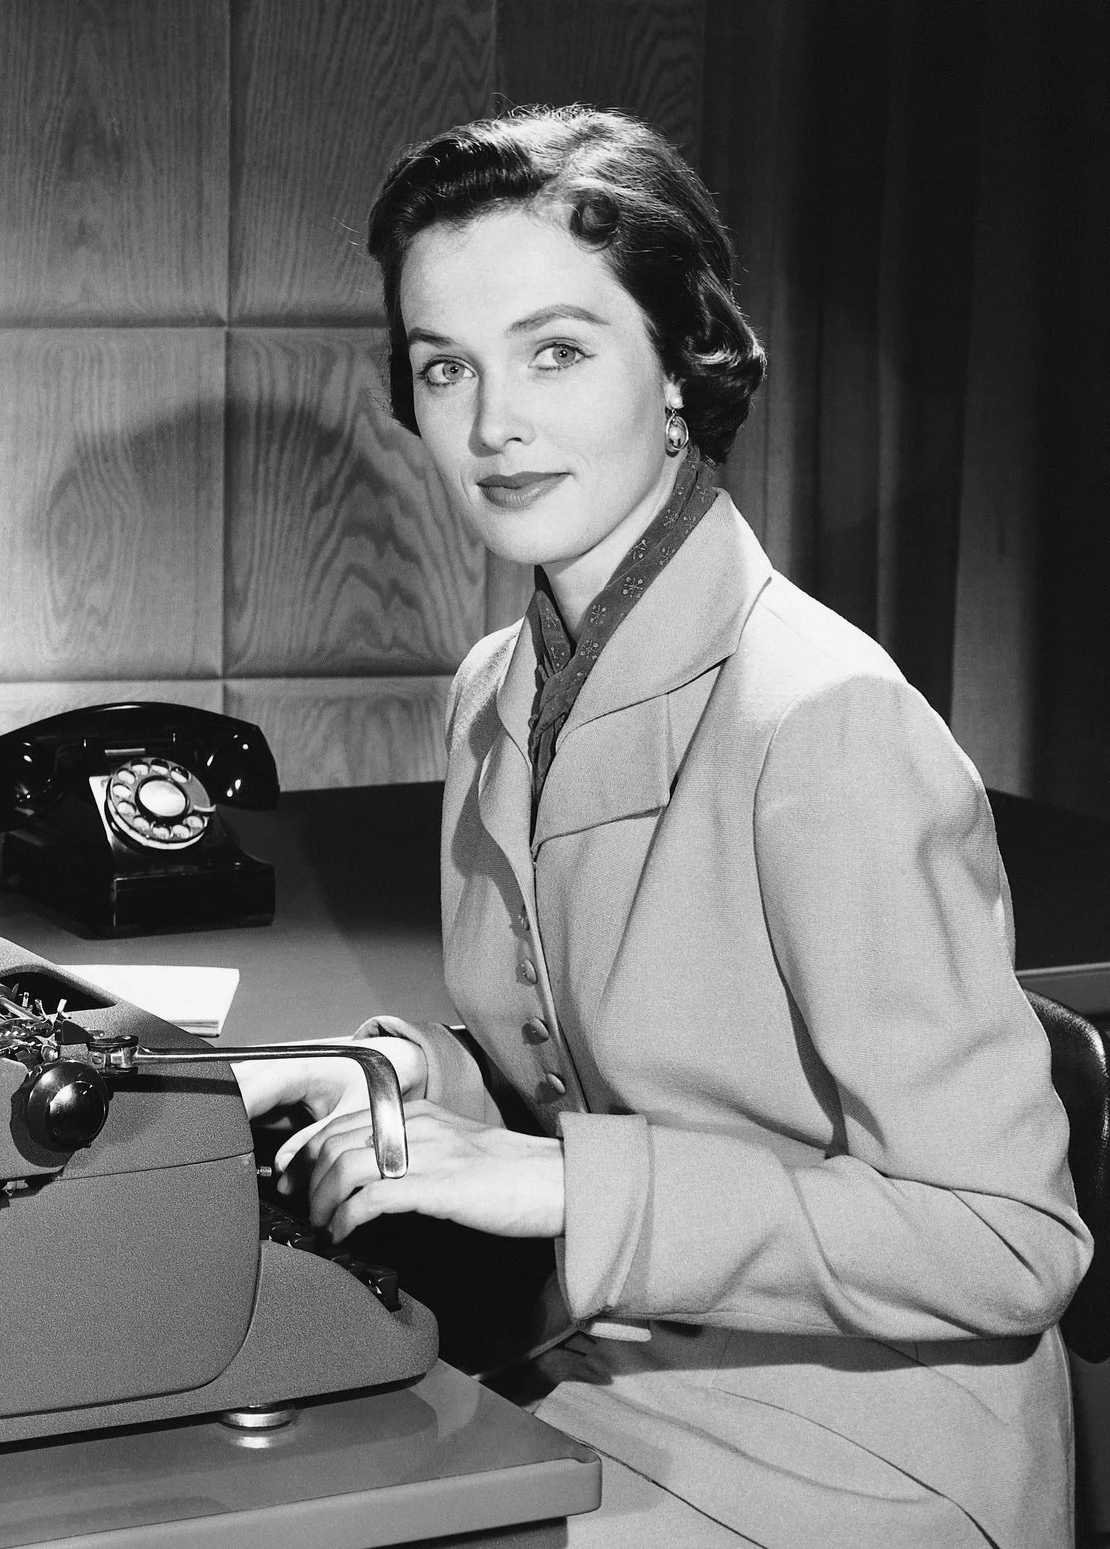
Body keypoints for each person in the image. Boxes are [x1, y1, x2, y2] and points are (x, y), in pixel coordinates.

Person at [234, 106, 1090, 1548]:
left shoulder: (826, 722)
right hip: (599, 1370)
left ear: (684, 370)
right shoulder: (496, 686)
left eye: (557, 352)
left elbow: (1010, 1241)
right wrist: (388, 1077)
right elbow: (577, 1074)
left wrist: (566, 1181)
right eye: (447, 366)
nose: (493, 425)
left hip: (857, 1450)